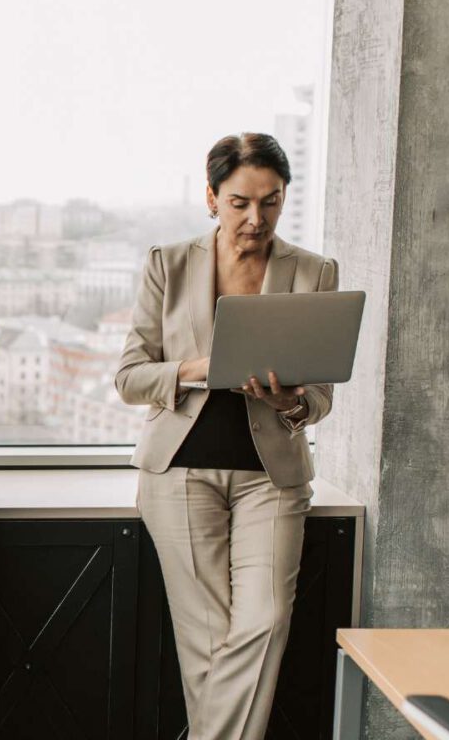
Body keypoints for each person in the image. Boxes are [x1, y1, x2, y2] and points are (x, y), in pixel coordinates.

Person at [115, 133, 339, 740]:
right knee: (208, 645)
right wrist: (198, 369)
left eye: (271, 202)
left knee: (264, 623)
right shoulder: (170, 262)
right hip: (180, 472)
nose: (256, 218)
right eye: (240, 201)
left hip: (272, 477)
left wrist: (291, 401)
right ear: (211, 197)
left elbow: (319, 398)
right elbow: (130, 377)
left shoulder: (313, 271)